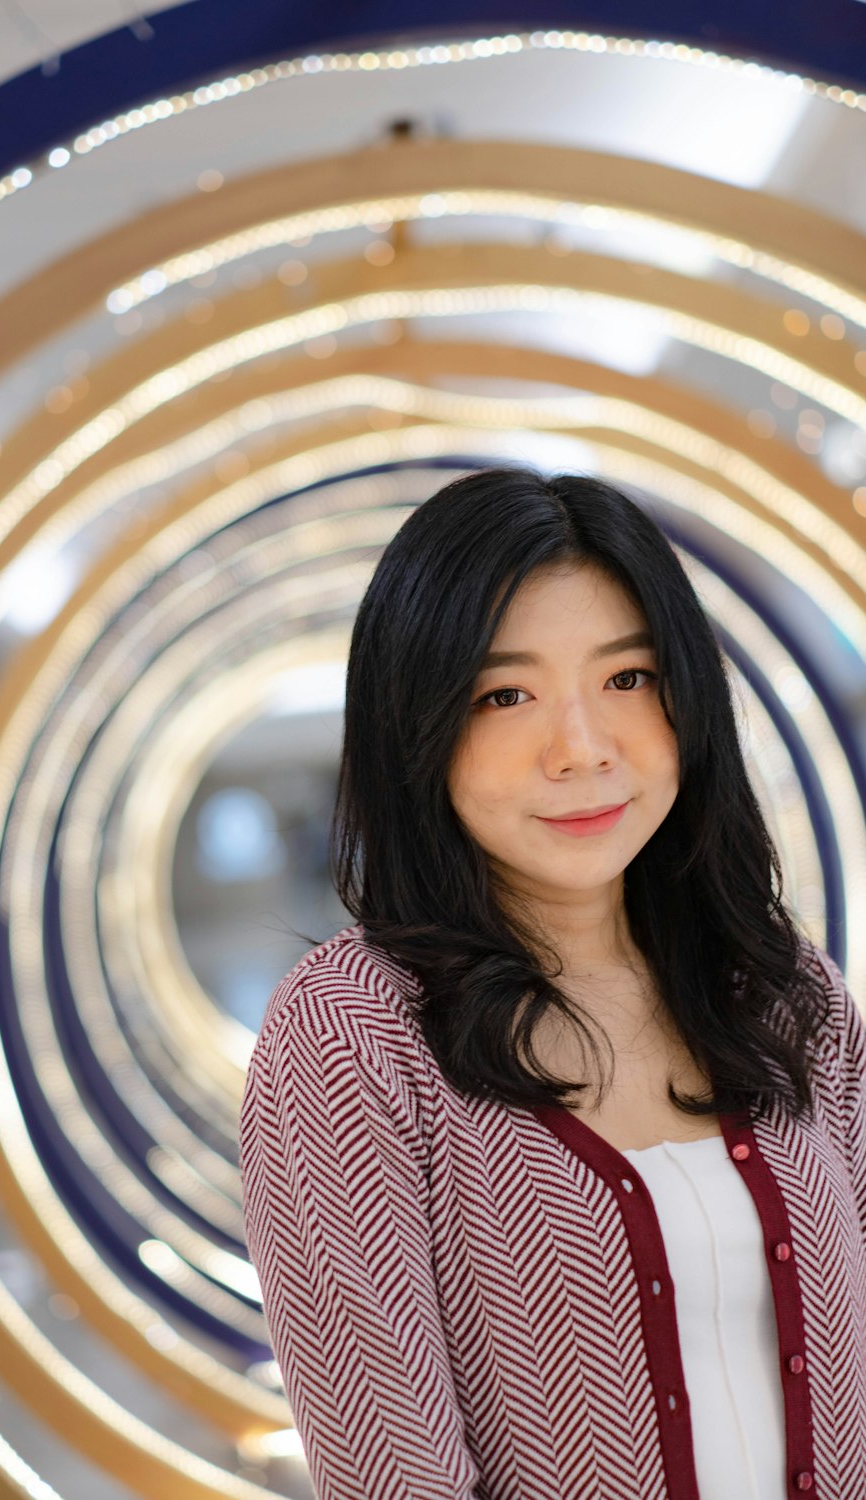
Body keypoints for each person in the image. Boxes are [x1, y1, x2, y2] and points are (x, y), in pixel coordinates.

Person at [238, 468, 865, 1500]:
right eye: (505, 695)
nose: (581, 749)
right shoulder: (354, 1037)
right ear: (418, 728)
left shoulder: (782, 995)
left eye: (627, 679)